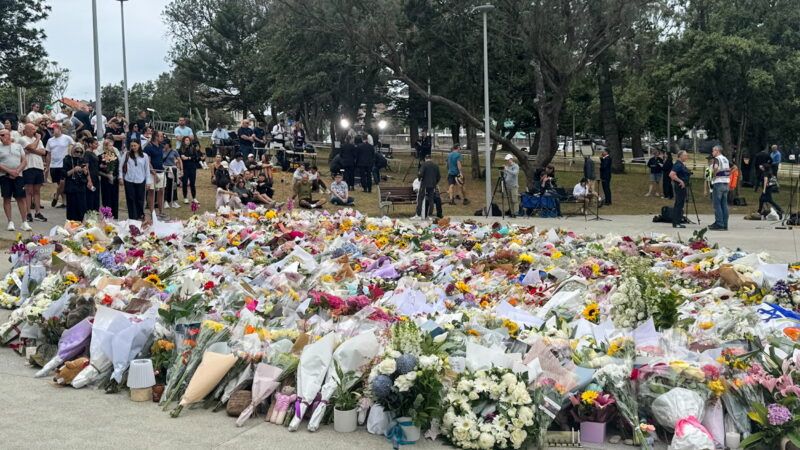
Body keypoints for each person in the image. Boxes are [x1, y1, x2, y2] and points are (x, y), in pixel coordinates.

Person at [0, 129, 30, 230]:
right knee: (7, 198)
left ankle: (24, 222)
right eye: (0, 135)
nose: (1, 137)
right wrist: (9, 171)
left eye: (3, 135)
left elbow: (24, 161)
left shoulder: (18, 146)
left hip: (18, 176)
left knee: (21, 198)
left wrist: (17, 171)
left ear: (9, 135)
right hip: (4, 176)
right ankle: (10, 222)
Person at [18, 123, 48, 223]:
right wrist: (37, 140)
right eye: (32, 129)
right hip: (28, 166)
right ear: (26, 130)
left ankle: (38, 212)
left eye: (34, 129)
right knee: (29, 190)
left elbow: (43, 152)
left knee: (37, 190)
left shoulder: (37, 140)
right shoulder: (23, 139)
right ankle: (28, 213)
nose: (34, 130)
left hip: (38, 166)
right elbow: (30, 146)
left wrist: (31, 149)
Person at [46, 122, 73, 209]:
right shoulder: (50, 140)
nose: (51, 131)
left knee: (63, 183)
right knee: (59, 183)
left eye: (53, 129)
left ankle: (56, 195)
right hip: (54, 165)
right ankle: (64, 202)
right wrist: (47, 166)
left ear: (59, 129)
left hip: (63, 164)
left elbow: (74, 146)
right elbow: (48, 154)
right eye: (50, 129)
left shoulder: (67, 138)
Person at [122, 140, 150, 221]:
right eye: (132, 146)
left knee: (140, 199)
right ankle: (132, 217)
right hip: (129, 180)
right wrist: (121, 177)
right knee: (131, 199)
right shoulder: (127, 154)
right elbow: (121, 166)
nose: (133, 147)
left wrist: (148, 182)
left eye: (135, 145)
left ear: (139, 145)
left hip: (141, 180)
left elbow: (147, 169)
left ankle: (140, 215)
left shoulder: (144, 156)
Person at [144, 131, 166, 218]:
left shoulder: (160, 146)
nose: (162, 138)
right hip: (152, 173)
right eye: (161, 136)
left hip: (161, 171)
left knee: (161, 191)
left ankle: (161, 211)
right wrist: (154, 173)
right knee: (151, 192)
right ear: (156, 137)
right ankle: (152, 212)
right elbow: (148, 162)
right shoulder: (148, 147)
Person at [98, 137, 121, 219]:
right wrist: (107, 175)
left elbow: (118, 168)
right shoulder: (100, 157)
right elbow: (98, 170)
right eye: (108, 146)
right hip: (105, 181)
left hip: (114, 181)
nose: (110, 147)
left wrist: (116, 176)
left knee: (114, 199)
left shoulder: (115, 157)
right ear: (105, 146)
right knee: (106, 199)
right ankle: (107, 217)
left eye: (111, 146)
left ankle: (115, 217)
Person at [709, 145, 731, 230]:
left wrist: (713, 175)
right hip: (726, 182)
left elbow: (715, 168)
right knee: (724, 205)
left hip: (718, 182)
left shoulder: (717, 159)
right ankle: (725, 224)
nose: (712, 152)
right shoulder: (725, 159)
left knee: (717, 204)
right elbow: (730, 169)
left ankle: (719, 223)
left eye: (713, 151)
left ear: (717, 151)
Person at [669, 150, 691, 228]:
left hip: (683, 186)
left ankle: (677, 220)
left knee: (680, 204)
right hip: (679, 186)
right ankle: (676, 222)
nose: (686, 157)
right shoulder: (678, 165)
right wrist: (680, 181)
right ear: (680, 156)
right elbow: (671, 174)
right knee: (679, 204)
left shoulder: (681, 164)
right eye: (685, 155)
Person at [414, 153, 440, 219]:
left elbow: (420, 174)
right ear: (431, 159)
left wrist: (420, 179)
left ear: (425, 159)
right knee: (431, 199)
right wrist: (435, 183)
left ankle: (418, 214)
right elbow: (438, 176)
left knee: (420, 199)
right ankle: (429, 215)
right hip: (432, 185)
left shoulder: (424, 165)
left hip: (424, 184)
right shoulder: (435, 166)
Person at [179, 136, 202, 205]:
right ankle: (185, 197)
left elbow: (196, 157)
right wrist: (183, 158)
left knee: (192, 183)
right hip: (185, 168)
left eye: (188, 140)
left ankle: (194, 198)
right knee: (185, 183)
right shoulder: (181, 149)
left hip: (192, 167)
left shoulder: (193, 148)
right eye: (186, 140)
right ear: (183, 141)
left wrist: (188, 158)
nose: (187, 141)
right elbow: (180, 157)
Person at [82, 138, 101, 213]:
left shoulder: (93, 153)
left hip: (95, 177)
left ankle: (94, 211)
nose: (97, 145)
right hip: (91, 177)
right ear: (90, 144)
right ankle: (90, 211)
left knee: (95, 194)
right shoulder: (87, 153)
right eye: (95, 143)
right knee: (90, 195)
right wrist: (89, 180)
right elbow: (86, 167)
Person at [162, 140, 182, 209]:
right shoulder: (162, 151)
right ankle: (165, 201)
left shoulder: (174, 151)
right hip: (165, 169)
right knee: (166, 185)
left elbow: (179, 160)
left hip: (173, 169)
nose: (164, 145)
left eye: (165, 144)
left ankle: (173, 200)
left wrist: (181, 169)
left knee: (174, 185)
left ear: (168, 144)